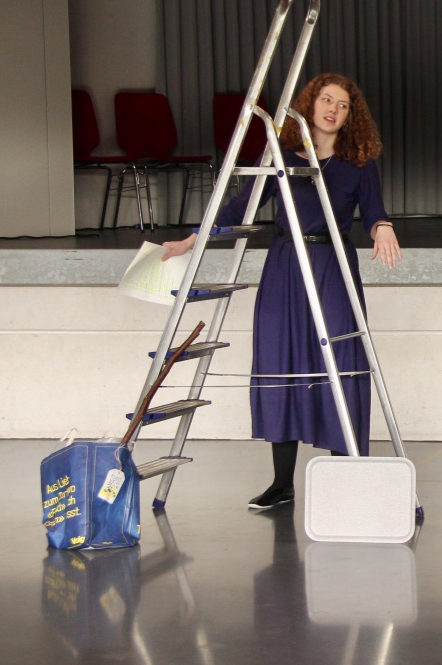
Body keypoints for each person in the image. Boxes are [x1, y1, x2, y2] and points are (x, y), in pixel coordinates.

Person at [162, 73, 401, 510]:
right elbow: (238, 208)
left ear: (352, 116)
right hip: (286, 266)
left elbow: (375, 211)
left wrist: (383, 228)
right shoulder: (279, 155)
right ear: (309, 105)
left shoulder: (359, 164)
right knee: (281, 361)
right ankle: (281, 484)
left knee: (339, 365)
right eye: (326, 100)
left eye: (343, 104)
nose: (333, 109)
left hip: (331, 266)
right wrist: (190, 239)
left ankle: (345, 480)